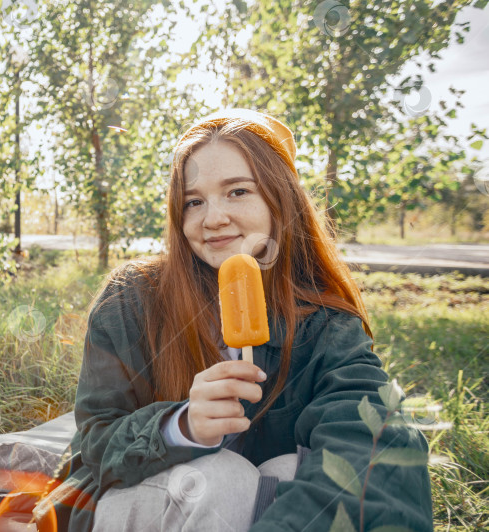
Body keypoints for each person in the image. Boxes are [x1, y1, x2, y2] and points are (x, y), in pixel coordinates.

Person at [33, 108, 432, 532]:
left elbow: (372, 437)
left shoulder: (325, 322)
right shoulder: (131, 299)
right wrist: (179, 426)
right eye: (193, 201)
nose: (213, 218)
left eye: (238, 192)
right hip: (126, 501)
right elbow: (95, 442)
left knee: (291, 469)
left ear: (281, 200)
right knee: (222, 477)